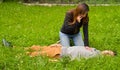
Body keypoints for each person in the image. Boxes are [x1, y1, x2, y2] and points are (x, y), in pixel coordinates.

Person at [25, 44, 116, 60]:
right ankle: (17, 48)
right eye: (109, 51)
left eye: (109, 54)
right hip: (64, 48)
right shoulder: (96, 50)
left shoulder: (95, 57)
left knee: (39, 53)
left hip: (62, 54)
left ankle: (20, 53)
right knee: (39, 48)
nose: (107, 53)